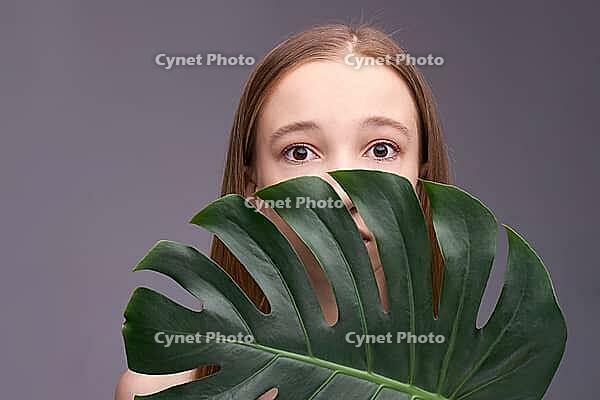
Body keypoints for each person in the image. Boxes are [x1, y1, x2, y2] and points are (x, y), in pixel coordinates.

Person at [115, 22, 451, 400]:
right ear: (252, 185)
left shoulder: (477, 386)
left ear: (422, 174)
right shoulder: (162, 392)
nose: (340, 193)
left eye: (381, 150)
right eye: (300, 152)